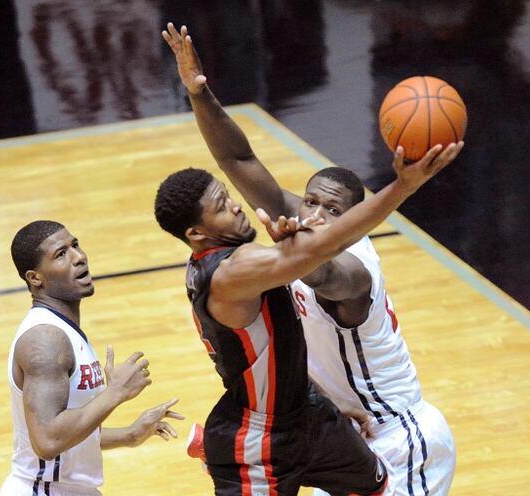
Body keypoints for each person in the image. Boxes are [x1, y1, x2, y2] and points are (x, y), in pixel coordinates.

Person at [158, 23, 462, 496]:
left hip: (397, 438)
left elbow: (317, 268)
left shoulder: (354, 270)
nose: (316, 215)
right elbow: (238, 160)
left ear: (353, 218)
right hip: (332, 427)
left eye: (334, 211)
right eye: (311, 202)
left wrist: (402, 186)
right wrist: (200, 94)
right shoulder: (300, 229)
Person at [0, 220, 184, 496]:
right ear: (35, 277)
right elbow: (48, 440)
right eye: (61, 254)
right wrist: (115, 393)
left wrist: (130, 435)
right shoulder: (46, 340)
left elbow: (70, 432)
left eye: (75, 245)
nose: (79, 257)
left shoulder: (63, 331)